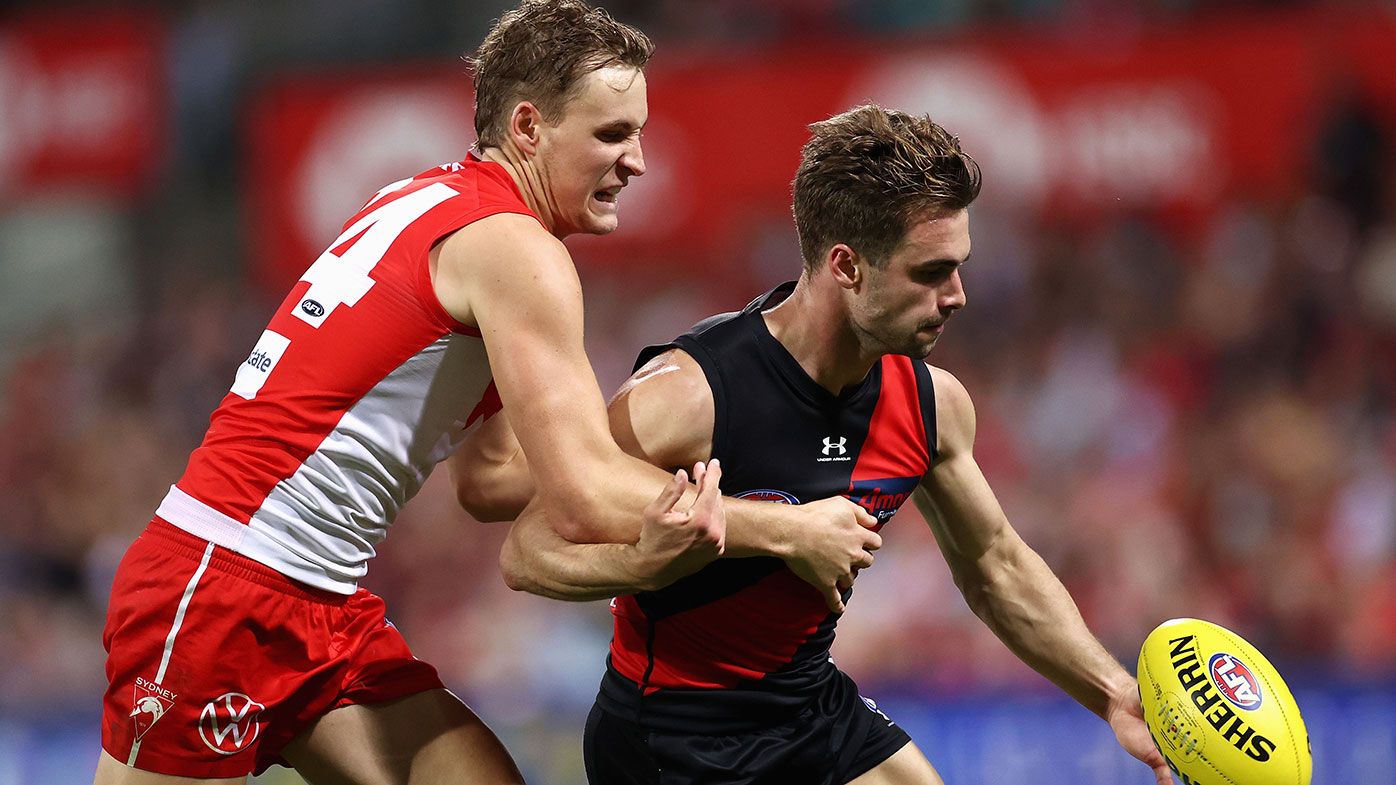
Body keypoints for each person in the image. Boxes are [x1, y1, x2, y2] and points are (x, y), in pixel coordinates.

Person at [95, 2, 880, 783]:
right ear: (531, 129)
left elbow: (489, 478)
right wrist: (785, 527)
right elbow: (582, 500)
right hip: (222, 591)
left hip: (314, 600)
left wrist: (670, 436)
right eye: (612, 134)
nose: (637, 160)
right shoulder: (518, 251)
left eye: (638, 132)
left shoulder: (433, 201)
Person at [457, 105, 1176, 784]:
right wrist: (641, 559)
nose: (956, 295)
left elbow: (994, 566)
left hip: (809, 706)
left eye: (958, 267)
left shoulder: (932, 405)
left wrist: (1111, 690)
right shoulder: (689, 396)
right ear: (847, 266)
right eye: (930, 272)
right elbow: (526, 551)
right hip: (670, 735)